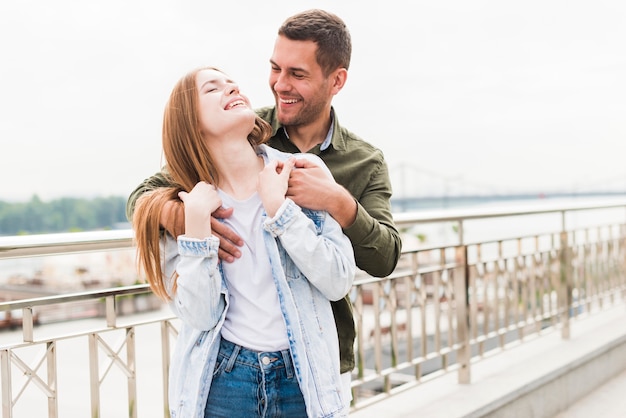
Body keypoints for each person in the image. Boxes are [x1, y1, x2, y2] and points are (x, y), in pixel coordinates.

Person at [126, 9, 402, 405]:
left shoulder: (363, 161)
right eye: (276, 69)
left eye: (298, 74)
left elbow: (385, 257)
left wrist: (336, 200)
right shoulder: (243, 128)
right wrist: (188, 219)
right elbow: (145, 195)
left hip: (319, 359)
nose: (279, 84)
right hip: (229, 370)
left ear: (336, 80)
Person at [132, 66, 356, 417]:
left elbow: (339, 279)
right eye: (212, 88)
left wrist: (281, 211)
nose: (232, 87)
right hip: (223, 382)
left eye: (232, 83)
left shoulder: (300, 171)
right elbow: (200, 316)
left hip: (303, 378)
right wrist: (196, 231)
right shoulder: (184, 204)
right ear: (190, 122)